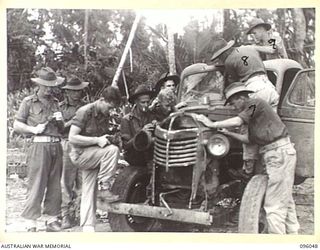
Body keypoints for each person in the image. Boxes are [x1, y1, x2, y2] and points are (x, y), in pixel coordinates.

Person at [195, 82, 300, 234]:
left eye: (233, 103)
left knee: (273, 207)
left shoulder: (255, 104)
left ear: (241, 98)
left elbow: (237, 121)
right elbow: (249, 139)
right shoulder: (254, 116)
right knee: (285, 200)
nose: (233, 107)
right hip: (279, 153)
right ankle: (293, 238)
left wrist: (212, 124)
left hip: (278, 153)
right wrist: (229, 133)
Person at [210, 38, 279, 176]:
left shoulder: (229, 61)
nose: (220, 60)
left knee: (246, 127)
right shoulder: (248, 49)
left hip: (255, 88)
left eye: (219, 57)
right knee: (269, 125)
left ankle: (248, 169)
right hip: (269, 87)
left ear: (223, 54)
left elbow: (235, 85)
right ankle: (270, 165)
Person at [13, 67, 65, 232]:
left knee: (55, 184)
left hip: (56, 145)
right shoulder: (28, 102)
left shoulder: (56, 103)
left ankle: (52, 219)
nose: (49, 89)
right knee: (36, 182)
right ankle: (31, 221)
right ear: (39, 85)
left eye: (51, 86)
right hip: (39, 145)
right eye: (46, 86)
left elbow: (62, 129)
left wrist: (60, 121)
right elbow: (17, 124)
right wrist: (33, 129)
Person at [68, 86, 122, 232]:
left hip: (92, 154)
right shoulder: (85, 111)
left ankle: (88, 226)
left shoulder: (104, 114)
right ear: (102, 100)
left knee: (89, 188)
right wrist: (97, 140)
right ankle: (104, 187)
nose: (111, 111)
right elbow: (72, 137)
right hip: (80, 154)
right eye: (110, 107)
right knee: (112, 151)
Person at [59, 76, 89, 229]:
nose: (77, 94)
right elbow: (60, 128)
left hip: (83, 145)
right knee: (66, 181)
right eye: (74, 91)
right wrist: (75, 120)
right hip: (68, 144)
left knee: (83, 180)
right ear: (68, 92)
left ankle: (79, 213)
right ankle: (65, 215)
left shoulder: (87, 106)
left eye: (79, 91)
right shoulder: (61, 108)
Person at [121, 84, 156, 166]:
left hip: (151, 155)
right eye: (143, 102)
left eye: (148, 102)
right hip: (135, 157)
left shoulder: (152, 116)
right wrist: (141, 133)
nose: (146, 105)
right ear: (136, 102)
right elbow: (126, 146)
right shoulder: (127, 120)